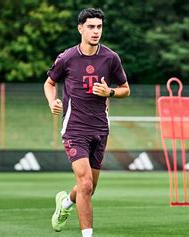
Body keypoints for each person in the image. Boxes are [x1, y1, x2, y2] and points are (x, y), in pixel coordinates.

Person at [43, 8, 130, 237]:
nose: (96, 31)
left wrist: (109, 92)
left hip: (100, 128)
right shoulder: (67, 58)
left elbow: (125, 90)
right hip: (74, 128)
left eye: (99, 27)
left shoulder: (111, 58)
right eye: (91, 26)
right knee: (85, 184)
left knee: (89, 188)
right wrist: (53, 102)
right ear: (80, 28)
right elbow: (49, 83)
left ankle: (64, 205)